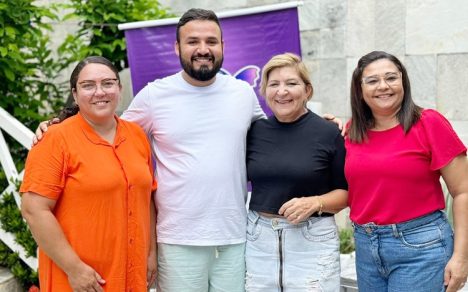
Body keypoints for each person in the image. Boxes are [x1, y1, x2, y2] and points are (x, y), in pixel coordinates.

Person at [20, 56, 157, 292]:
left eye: (107, 83)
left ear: (120, 88)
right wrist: (75, 269)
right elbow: (34, 210)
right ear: (75, 94)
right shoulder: (55, 139)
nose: (99, 92)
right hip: (81, 280)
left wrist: (151, 253)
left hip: (131, 275)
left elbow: (147, 199)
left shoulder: (136, 136)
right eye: (88, 85)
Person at [345, 51, 468, 292]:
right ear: (360, 90)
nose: (383, 86)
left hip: (421, 247)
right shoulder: (350, 132)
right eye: (372, 81)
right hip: (366, 247)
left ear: (403, 81)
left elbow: (463, 191)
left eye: (391, 78)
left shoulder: (428, 122)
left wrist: (461, 257)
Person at [245, 53, 348, 291]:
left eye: (291, 83)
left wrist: (315, 202)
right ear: (264, 92)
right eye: (274, 84)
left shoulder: (329, 132)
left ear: (307, 91)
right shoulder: (254, 131)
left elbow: (347, 193)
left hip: (311, 243)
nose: (282, 91)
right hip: (259, 244)